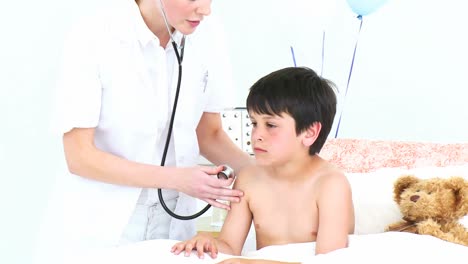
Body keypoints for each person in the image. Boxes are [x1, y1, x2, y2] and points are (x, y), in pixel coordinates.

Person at [43, 0, 253, 258]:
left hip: (175, 226)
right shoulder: (94, 34)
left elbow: (208, 134)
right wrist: (179, 179)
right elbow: (79, 156)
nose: (205, 9)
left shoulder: (209, 34)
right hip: (104, 227)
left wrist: (272, 175)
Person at [171, 67, 355, 263]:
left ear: (309, 132)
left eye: (271, 125)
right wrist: (209, 243)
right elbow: (230, 246)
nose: (257, 135)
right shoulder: (249, 179)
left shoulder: (331, 185)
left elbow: (329, 261)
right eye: (254, 123)